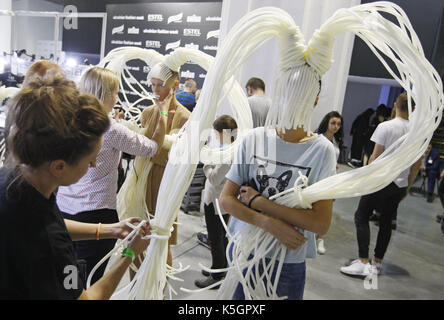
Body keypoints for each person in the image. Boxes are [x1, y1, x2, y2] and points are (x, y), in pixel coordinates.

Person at [0, 76, 151, 299]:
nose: (94, 164)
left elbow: (52, 223)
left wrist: (110, 230)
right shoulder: (54, 248)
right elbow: (86, 298)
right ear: (59, 166)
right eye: (90, 160)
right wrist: (129, 254)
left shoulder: (15, 178)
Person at [220, 68, 336, 300]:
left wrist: (259, 201)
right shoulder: (254, 138)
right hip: (244, 249)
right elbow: (226, 200)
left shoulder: (322, 150)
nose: (294, 100)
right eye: (290, 92)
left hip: (288, 259)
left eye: (303, 93)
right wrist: (268, 222)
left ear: (314, 99)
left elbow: (321, 224)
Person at [56, 67, 167, 285]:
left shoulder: (68, 119)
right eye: (115, 92)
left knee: (68, 276)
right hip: (96, 213)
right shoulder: (110, 128)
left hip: (63, 212)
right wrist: (162, 113)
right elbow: (152, 147)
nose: (116, 97)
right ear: (105, 93)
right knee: (89, 279)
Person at [340, 93, 421, 277]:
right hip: (398, 185)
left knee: (361, 216)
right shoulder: (416, 134)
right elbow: (416, 166)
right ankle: (377, 263)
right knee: (386, 222)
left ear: (395, 105)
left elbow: (376, 156)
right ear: (413, 110)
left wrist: (366, 178)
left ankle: (362, 261)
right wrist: (407, 187)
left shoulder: (385, 127)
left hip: (379, 181)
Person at [142, 62, 191, 267]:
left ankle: (160, 290)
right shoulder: (146, 112)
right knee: (140, 237)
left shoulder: (184, 117)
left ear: (175, 84)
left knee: (163, 241)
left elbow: (178, 158)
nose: (155, 90)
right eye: (153, 85)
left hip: (167, 184)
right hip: (142, 182)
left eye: (160, 84)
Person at [195, 115, 237, 289]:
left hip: (217, 203)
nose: (215, 136)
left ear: (224, 133)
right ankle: (218, 268)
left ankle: (217, 275)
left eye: (217, 132)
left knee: (216, 238)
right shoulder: (229, 148)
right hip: (219, 202)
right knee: (221, 237)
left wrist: (205, 161)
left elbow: (213, 177)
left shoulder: (228, 155)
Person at [314, 111, 344, 254]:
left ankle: (320, 238)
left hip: (331, 180)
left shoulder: (336, 142)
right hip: (317, 178)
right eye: (333, 123)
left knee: (326, 209)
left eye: (338, 124)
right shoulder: (317, 139)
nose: (336, 126)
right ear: (327, 122)